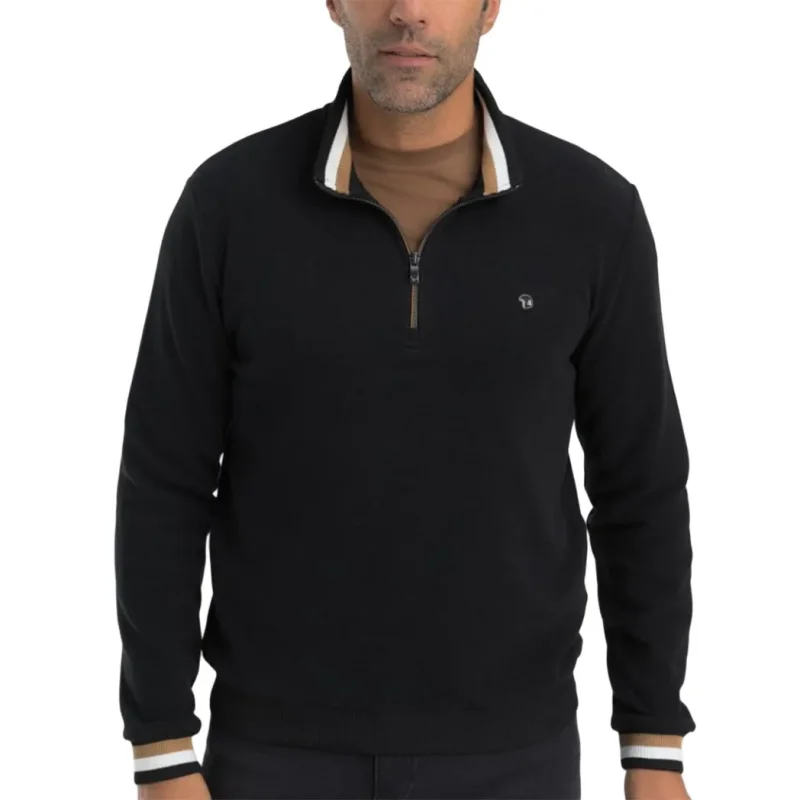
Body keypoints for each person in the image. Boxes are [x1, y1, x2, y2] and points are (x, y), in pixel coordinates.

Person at [115, 1, 696, 798]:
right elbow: (163, 482)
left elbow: (641, 490)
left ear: (490, 8)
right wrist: (161, 747)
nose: (408, 12)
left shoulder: (592, 213)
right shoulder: (227, 206)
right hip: (273, 752)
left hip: (514, 756)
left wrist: (654, 747)